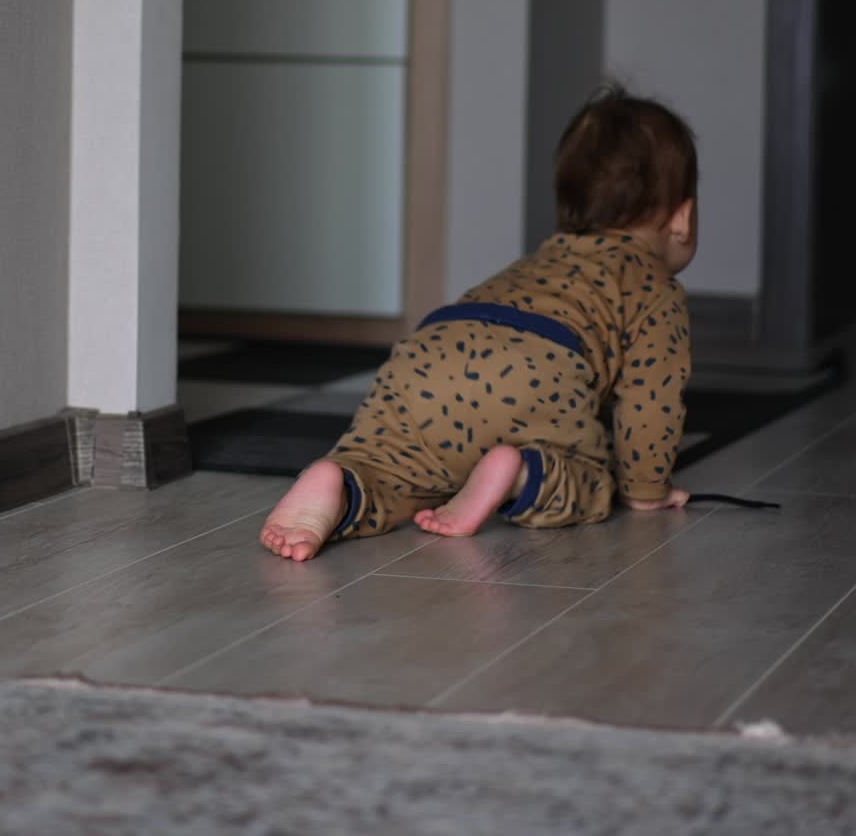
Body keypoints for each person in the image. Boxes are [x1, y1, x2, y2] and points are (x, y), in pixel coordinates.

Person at [260, 84, 699, 562]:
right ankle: (519, 474)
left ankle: (342, 483)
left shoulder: (542, 259)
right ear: (682, 217)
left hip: (431, 351)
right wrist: (647, 489)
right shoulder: (654, 289)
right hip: (539, 366)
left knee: (392, 463)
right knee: (593, 482)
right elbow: (650, 403)